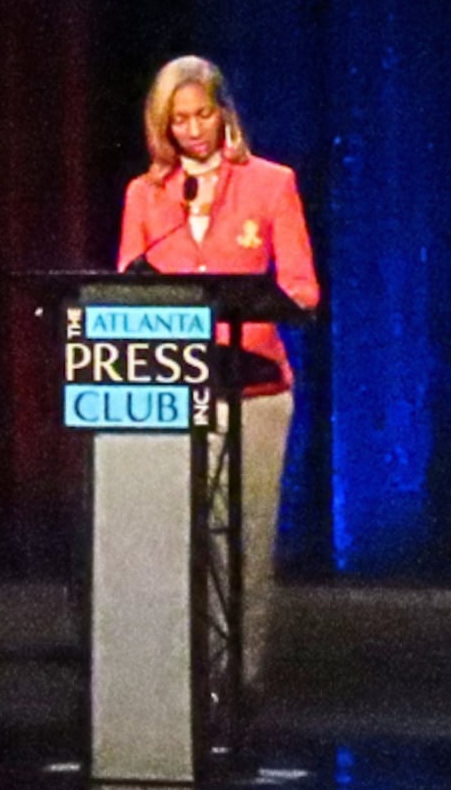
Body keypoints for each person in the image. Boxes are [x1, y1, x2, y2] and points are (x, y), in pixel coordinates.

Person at [115, 57, 319, 684]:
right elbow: (127, 288)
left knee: (246, 545)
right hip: (177, 393)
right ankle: (179, 677)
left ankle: (238, 680)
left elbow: (303, 290)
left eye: (203, 114)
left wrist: (246, 307)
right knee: (183, 538)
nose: (194, 130)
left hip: (254, 389)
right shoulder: (146, 195)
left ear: (225, 112)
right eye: (179, 120)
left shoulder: (271, 183)